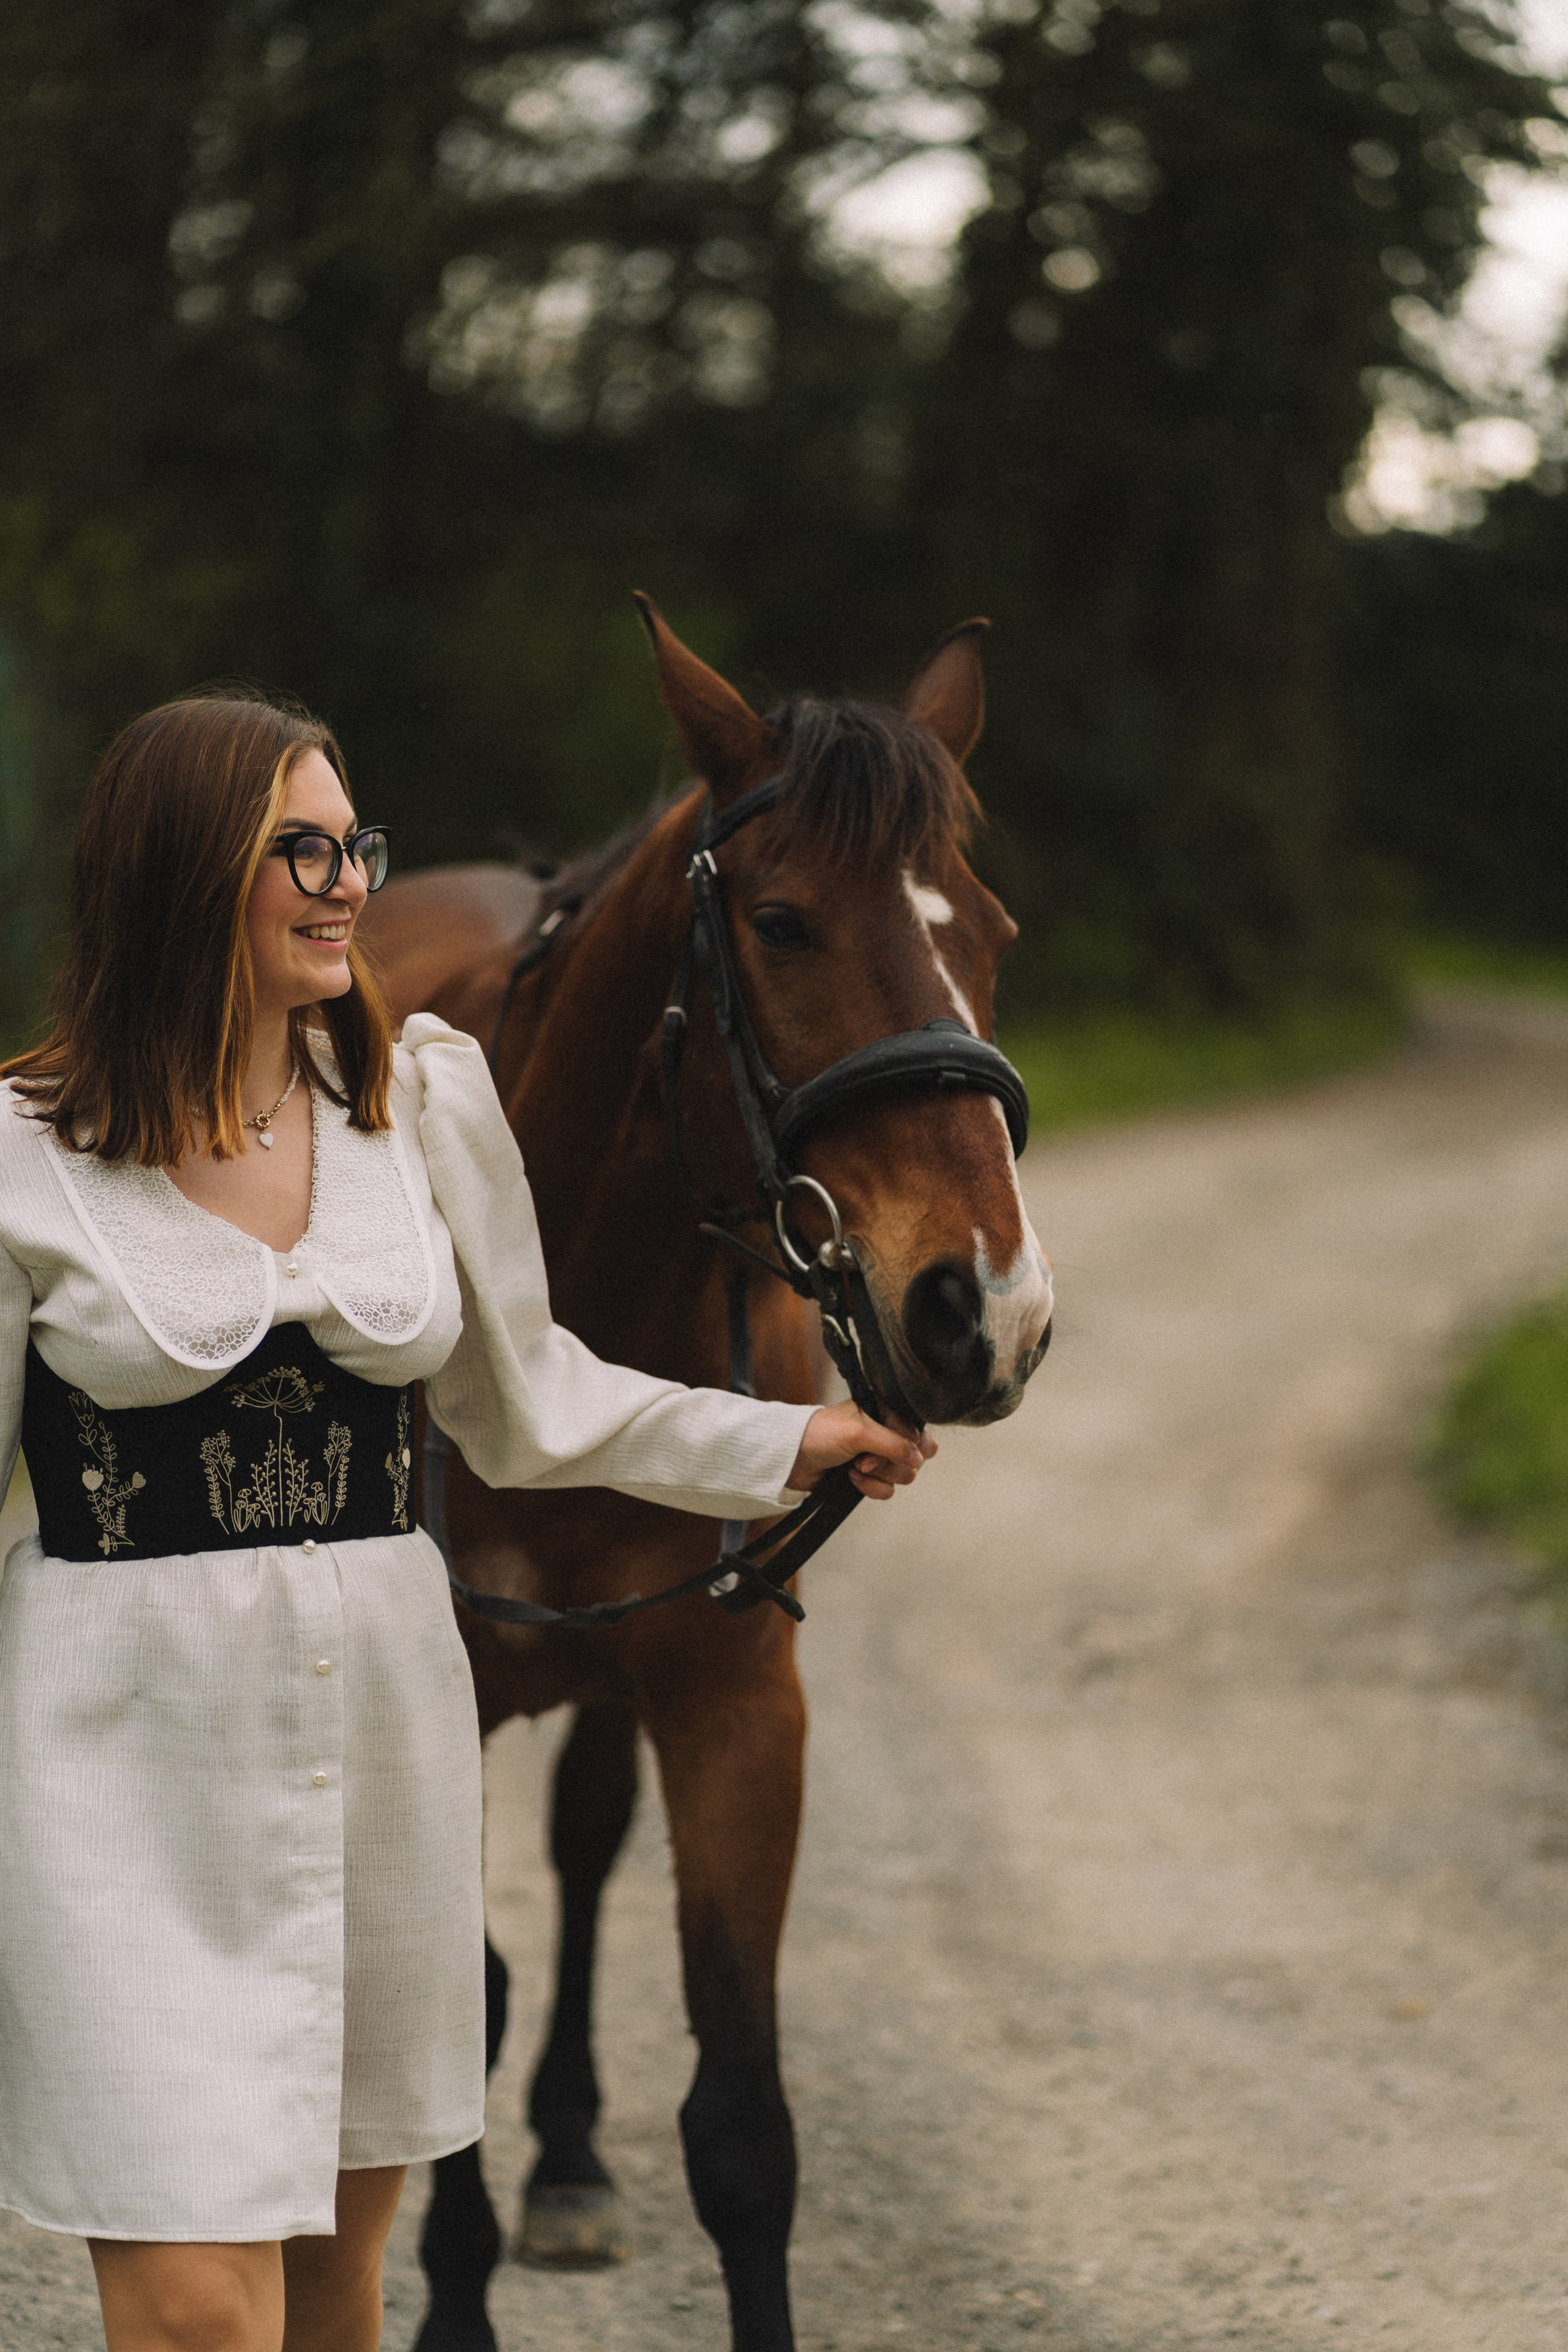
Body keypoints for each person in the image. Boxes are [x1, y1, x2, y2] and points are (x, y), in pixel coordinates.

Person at [0, 692, 931, 2352]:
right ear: (176, 873)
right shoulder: (23, 1157)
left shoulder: (417, 1107)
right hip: (120, 1775)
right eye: (303, 847)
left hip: (375, 1752)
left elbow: (534, 1400)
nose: (351, 880)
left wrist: (790, 1440)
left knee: (336, 2291)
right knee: (201, 2313)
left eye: (355, 843)